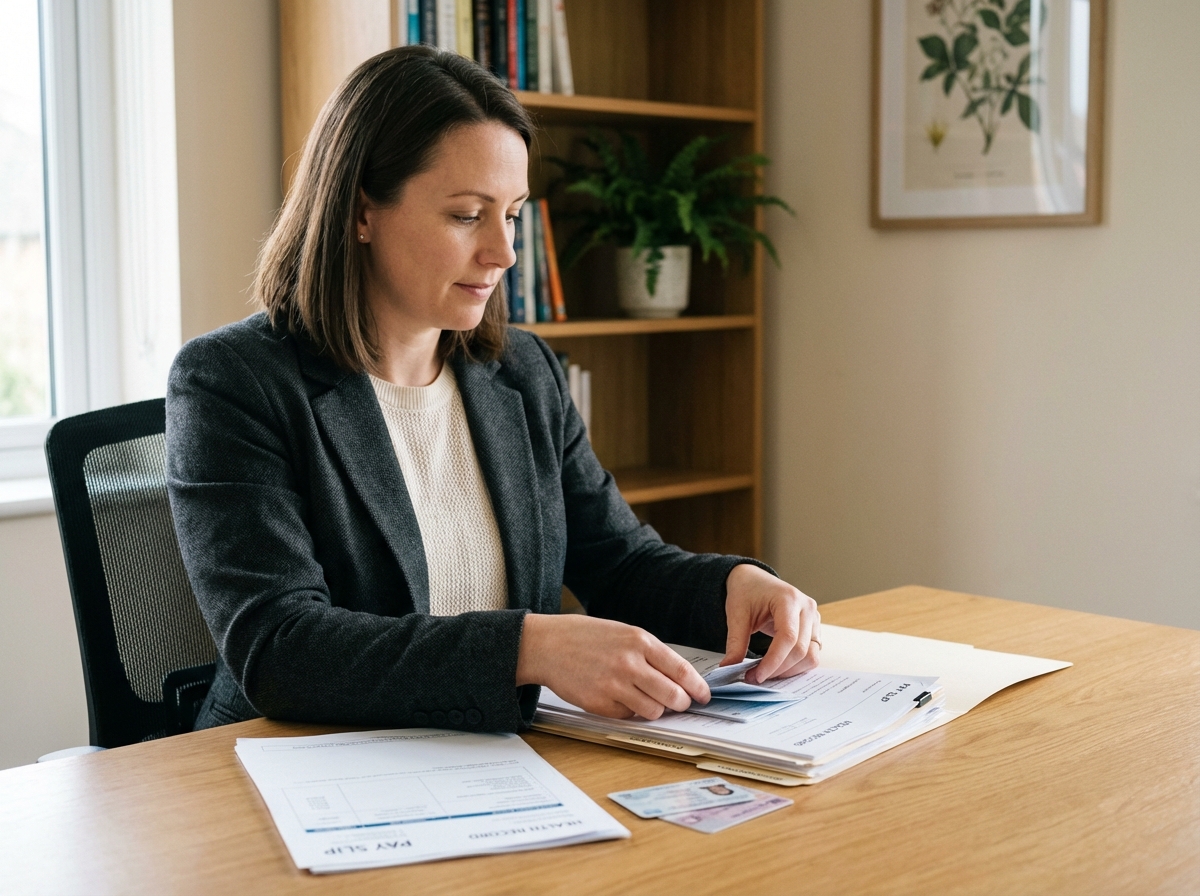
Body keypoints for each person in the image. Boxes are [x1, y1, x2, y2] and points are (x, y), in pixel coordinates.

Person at [166, 46, 821, 734]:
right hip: (297, 767)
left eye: (511, 214)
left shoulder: (523, 372)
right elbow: (281, 649)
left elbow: (619, 563)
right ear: (362, 212)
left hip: (494, 762)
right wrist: (528, 647)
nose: (504, 253)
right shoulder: (232, 383)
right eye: (466, 214)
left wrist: (735, 587)